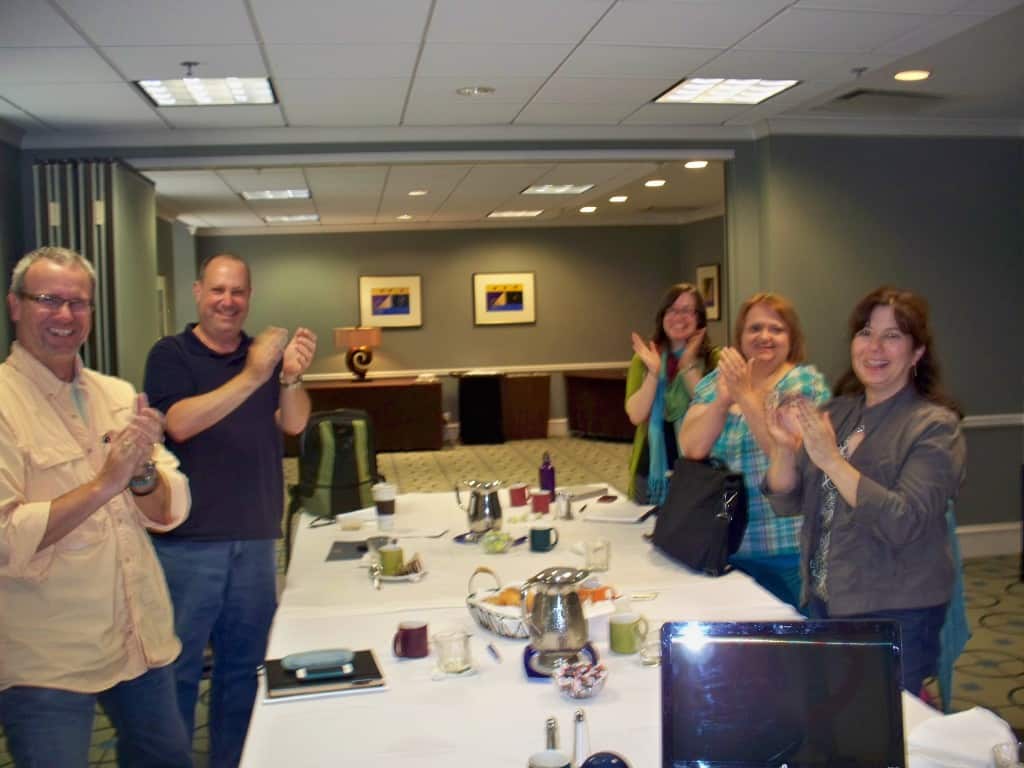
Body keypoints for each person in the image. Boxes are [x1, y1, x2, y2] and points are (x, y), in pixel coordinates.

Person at [0, 247, 192, 767]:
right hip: (48, 655)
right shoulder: (3, 404)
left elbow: (168, 509)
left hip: (137, 634)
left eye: (78, 303)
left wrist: (143, 471)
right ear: (15, 306)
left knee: (169, 758)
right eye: (48, 300)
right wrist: (107, 482)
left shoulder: (116, 393)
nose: (65, 316)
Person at [143, 253, 316, 767]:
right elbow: (179, 424)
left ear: (249, 297)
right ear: (198, 293)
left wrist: (287, 378)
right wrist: (253, 372)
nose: (228, 301)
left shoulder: (261, 354)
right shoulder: (171, 354)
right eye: (218, 290)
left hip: (256, 537)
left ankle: (233, 759)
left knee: (244, 668)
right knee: (178, 667)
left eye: (238, 292)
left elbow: (295, 425)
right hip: (189, 542)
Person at [763, 287, 965, 694]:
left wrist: (833, 461)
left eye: (892, 336)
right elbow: (789, 501)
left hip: (894, 610)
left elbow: (904, 521)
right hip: (825, 598)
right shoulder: (840, 412)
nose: (875, 347)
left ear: (917, 352)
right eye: (866, 333)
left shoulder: (934, 426)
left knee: (887, 734)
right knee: (838, 724)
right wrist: (785, 450)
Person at [679, 292, 829, 608]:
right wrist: (722, 400)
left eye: (776, 329)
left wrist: (745, 396)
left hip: (788, 551)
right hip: (725, 545)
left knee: (798, 649)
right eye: (754, 328)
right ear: (741, 336)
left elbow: (790, 456)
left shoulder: (804, 383)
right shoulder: (716, 382)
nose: (764, 336)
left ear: (791, 337)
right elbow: (692, 448)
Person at [625, 283, 716, 504]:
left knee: (694, 536)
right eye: (672, 310)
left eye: (687, 310)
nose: (679, 317)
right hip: (651, 470)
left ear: (699, 319)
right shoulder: (644, 359)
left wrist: (687, 364)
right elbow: (636, 415)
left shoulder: (714, 359)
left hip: (700, 470)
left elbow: (714, 409)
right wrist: (654, 374)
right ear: (663, 315)